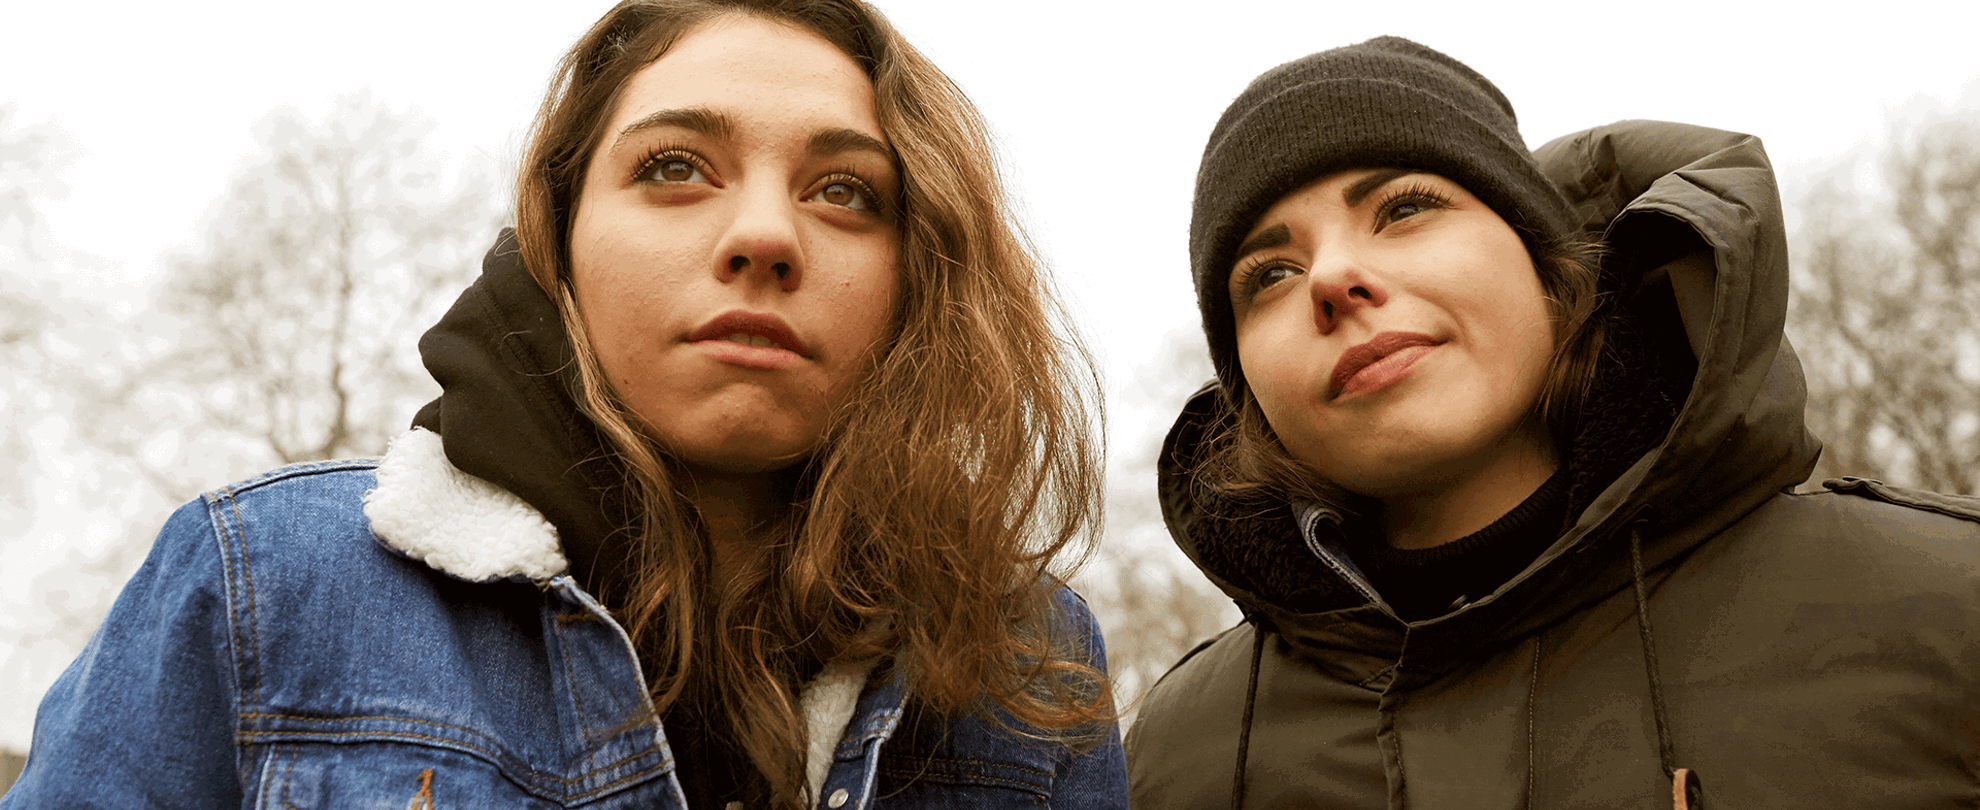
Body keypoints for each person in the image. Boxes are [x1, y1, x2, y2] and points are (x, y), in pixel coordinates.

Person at [5, 2, 1127, 808]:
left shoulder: (1029, 667)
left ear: (917, 272)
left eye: (845, 191)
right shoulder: (261, 586)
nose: (766, 237)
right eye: (677, 167)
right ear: (560, 240)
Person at [1124, 36, 1980, 810]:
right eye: (1268, 274)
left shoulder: (1948, 608)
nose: (1333, 276)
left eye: (1404, 209)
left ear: (1551, 268)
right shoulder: (1170, 765)